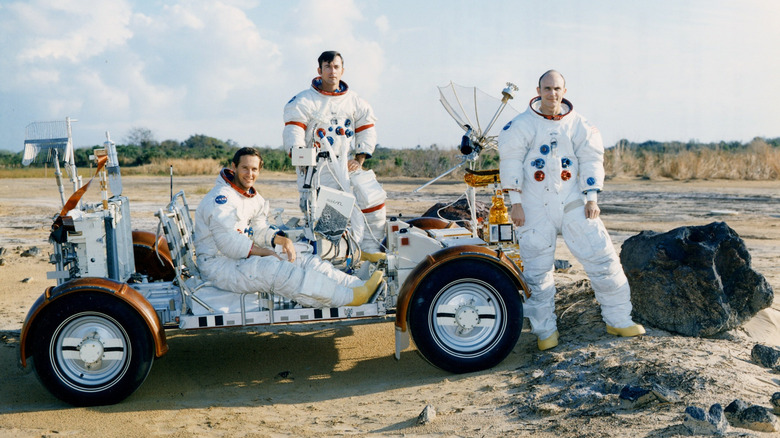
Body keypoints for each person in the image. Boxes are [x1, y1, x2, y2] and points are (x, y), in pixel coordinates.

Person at [498, 70, 645, 351]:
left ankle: (618, 318)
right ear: (538, 90)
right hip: (532, 205)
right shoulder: (520, 125)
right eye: (547, 88)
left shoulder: (580, 125)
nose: (552, 94)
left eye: (557, 88)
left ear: (564, 91)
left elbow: (591, 159)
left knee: (603, 259)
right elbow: (511, 162)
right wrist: (515, 202)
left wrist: (592, 197)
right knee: (537, 272)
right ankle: (545, 332)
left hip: (573, 201)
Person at [194, 147, 383, 308]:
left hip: (238, 258)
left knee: (302, 256)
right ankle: (350, 298)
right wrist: (266, 253)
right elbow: (229, 244)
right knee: (276, 271)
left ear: (259, 171)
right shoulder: (221, 199)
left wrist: (281, 240)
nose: (249, 174)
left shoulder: (252, 197)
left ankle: (357, 285)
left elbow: (259, 229)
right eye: (244, 168)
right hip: (219, 265)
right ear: (233, 167)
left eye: (254, 169)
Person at [283, 50, 386, 258]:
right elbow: (294, 130)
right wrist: (300, 157)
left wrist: (359, 158)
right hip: (320, 170)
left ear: (342, 70)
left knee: (371, 197)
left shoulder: (354, 101)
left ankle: (370, 252)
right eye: (327, 67)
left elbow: (367, 127)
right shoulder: (305, 100)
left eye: (336, 67)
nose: (332, 71)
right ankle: (334, 260)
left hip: (346, 165)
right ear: (319, 70)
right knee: (332, 222)